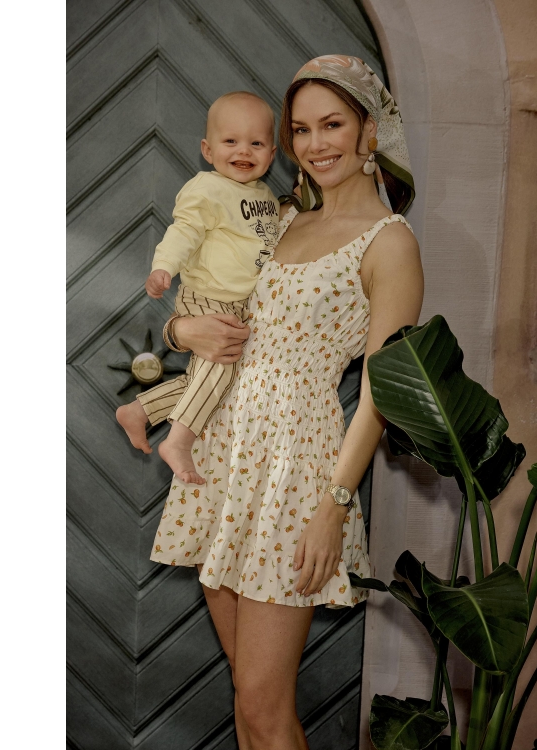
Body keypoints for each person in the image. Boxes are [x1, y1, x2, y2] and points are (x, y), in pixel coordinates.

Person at [148, 56, 422, 750]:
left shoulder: (389, 243)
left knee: (266, 707)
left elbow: (382, 391)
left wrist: (333, 506)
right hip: (222, 455)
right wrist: (179, 331)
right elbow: (205, 303)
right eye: (299, 129)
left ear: (370, 130)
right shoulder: (278, 217)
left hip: (295, 473)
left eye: (332, 125)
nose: (314, 144)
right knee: (249, 701)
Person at [115, 91, 281, 485]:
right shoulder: (207, 188)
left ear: (272, 154)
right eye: (231, 141)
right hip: (209, 295)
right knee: (220, 370)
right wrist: (164, 267)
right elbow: (184, 231)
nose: (244, 151)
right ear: (208, 150)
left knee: (211, 380)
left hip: (238, 303)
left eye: (256, 143)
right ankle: (177, 442)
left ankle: (139, 411)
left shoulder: (267, 197)